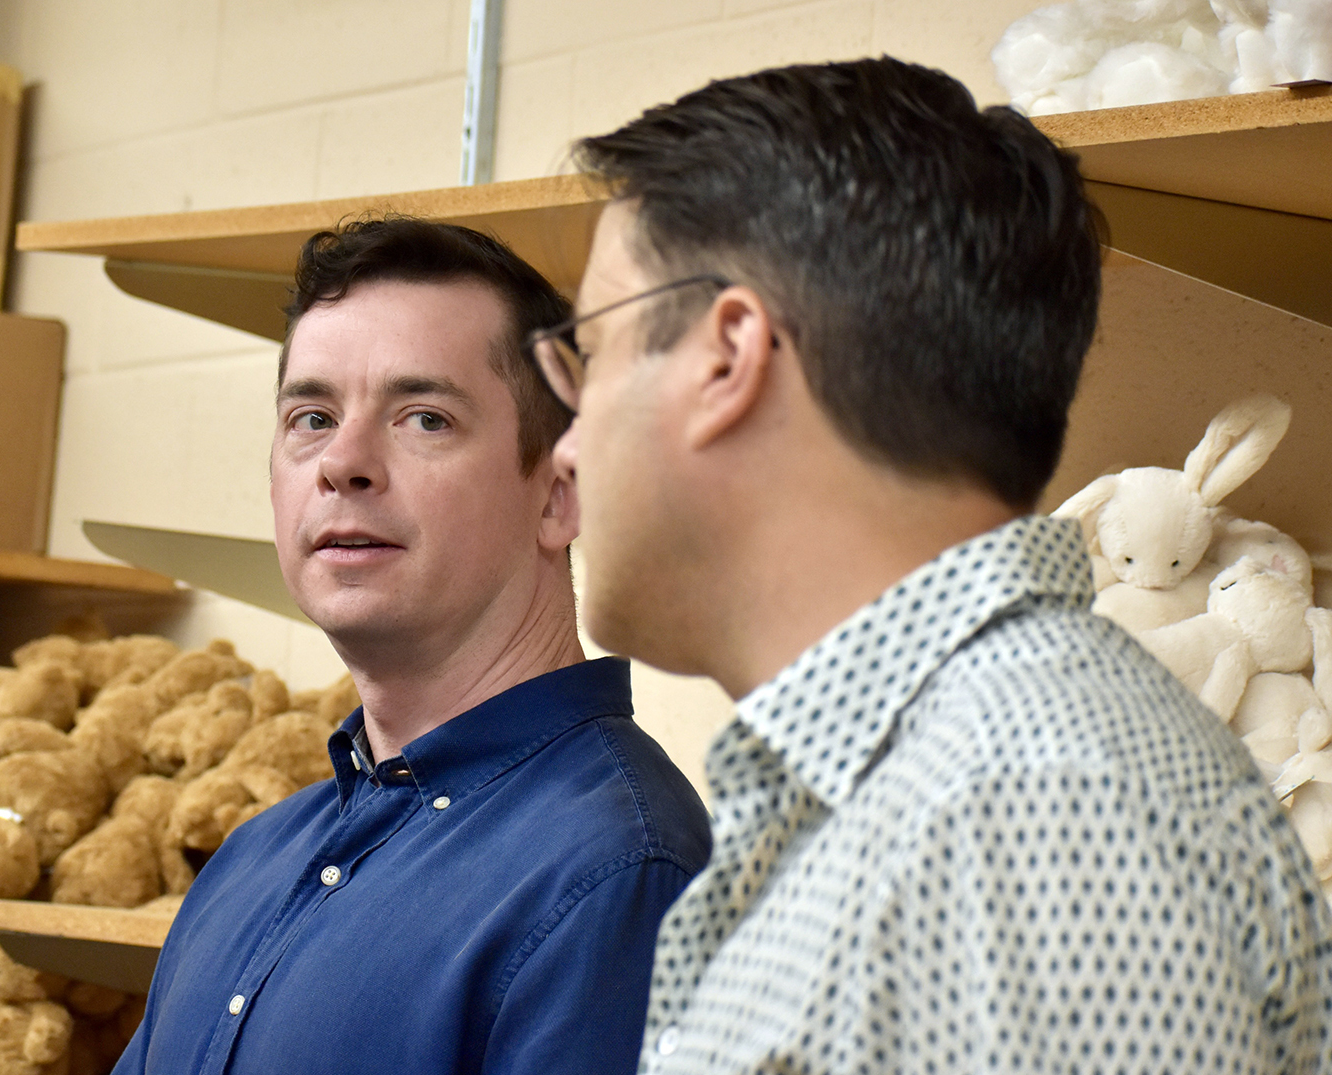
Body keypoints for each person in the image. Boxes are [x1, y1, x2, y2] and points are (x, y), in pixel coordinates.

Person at [538, 57, 1332, 1073]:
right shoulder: (942, 794)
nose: (565, 446)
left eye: (591, 357)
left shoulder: (1028, 817)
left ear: (726, 357)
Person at [114, 217, 711, 1075]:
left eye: (424, 418)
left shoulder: (615, 873)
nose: (343, 462)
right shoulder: (253, 857)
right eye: (312, 417)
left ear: (559, 493)